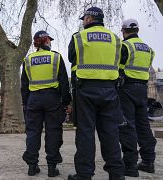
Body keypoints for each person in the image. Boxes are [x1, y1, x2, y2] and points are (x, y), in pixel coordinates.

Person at [67, 7, 125, 180]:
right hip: (110, 90)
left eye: (84, 18)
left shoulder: (78, 37)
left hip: (86, 90)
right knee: (110, 132)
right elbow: (120, 60)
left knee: (85, 132)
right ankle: (116, 174)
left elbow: (71, 57)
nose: (83, 21)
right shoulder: (115, 38)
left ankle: (84, 174)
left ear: (89, 19)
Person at [21, 30, 71, 177]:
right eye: (49, 40)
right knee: (53, 132)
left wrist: (26, 102)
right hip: (52, 99)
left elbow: (24, 84)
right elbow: (63, 82)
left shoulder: (28, 60)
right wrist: (66, 101)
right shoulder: (56, 57)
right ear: (46, 41)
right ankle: (51, 166)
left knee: (33, 133)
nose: (50, 42)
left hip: (33, 99)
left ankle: (32, 165)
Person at [118, 19, 157, 177]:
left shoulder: (124, 46)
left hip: (126, 88)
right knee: (143, 126)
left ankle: (130, 166)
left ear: (123, 30)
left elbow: (118, 68)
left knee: (127, 126)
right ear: (138, 30)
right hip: (142, 89)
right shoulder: (148, 49)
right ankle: (148, 162)